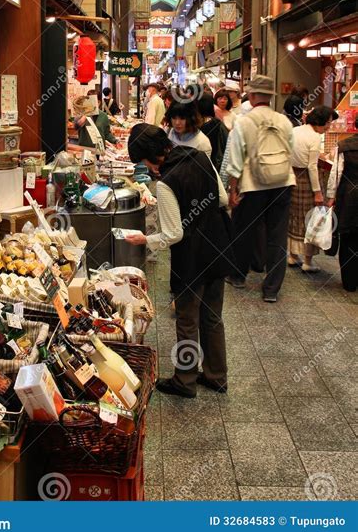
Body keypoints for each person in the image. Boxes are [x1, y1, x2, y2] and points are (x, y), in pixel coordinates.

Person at [125, 124, 235, 397]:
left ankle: (185, 380)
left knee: (187, 319)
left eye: (143, 161)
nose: (145, 168)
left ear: (151, 157)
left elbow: (174, 234)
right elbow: (221, 198)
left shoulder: (165, 182)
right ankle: (216, 376)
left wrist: (145, 240)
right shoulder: (199, 155)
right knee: (212, 316)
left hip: (191, 256)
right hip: (217, 247)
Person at [226, 75, 296, 302]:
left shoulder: (243, 122)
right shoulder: (284, 121)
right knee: (277, 236)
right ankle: (271, 289)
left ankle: (238, 276)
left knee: (243, 231)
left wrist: (232, 190)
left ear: (253, 96)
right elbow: (290, 153)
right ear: (271, 97)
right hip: (283, 183)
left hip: (253, 185)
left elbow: (236, 161)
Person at [288, 106, 337, 272]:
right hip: (307, 182)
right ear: (320, 121)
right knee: (310, 220)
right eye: (328, 123)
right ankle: (307, 262)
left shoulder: (295, 131)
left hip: (292, 178)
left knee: (294, 218)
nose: (329, 127)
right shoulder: (315, 137)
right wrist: (317, 192)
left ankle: (292, 255)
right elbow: (312, 167)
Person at [326, 114, 358, 292]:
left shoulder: (344, 146)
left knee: (347, 236)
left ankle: (349, 281)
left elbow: (336, 173)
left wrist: (331, 196)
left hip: (348, 195)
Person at [197, 94, 229, 172]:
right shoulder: (218, 124)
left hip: (199, 166)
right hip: (215, 166)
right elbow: (227, 146)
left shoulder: (194, 125)